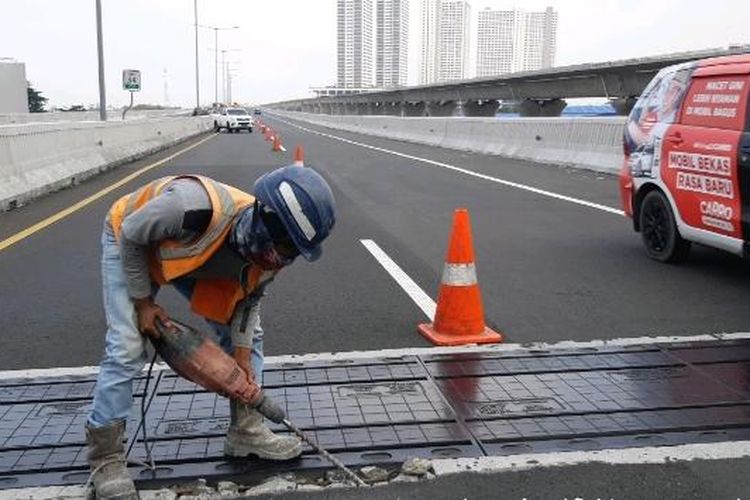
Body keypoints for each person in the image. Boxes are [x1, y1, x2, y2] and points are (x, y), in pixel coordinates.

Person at [85, 166, 336, 499]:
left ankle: (246, 431)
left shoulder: (271, 258)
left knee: (249, 337)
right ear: (266, 222)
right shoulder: (190, 208)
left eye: (291, 254)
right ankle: (106, 459)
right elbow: (132, 233)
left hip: (191, 256)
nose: (281, 259)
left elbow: (248, 305)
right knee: (127, 345)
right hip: (132, 238)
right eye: (282, 248)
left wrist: (242, 359)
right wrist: (144, 303)